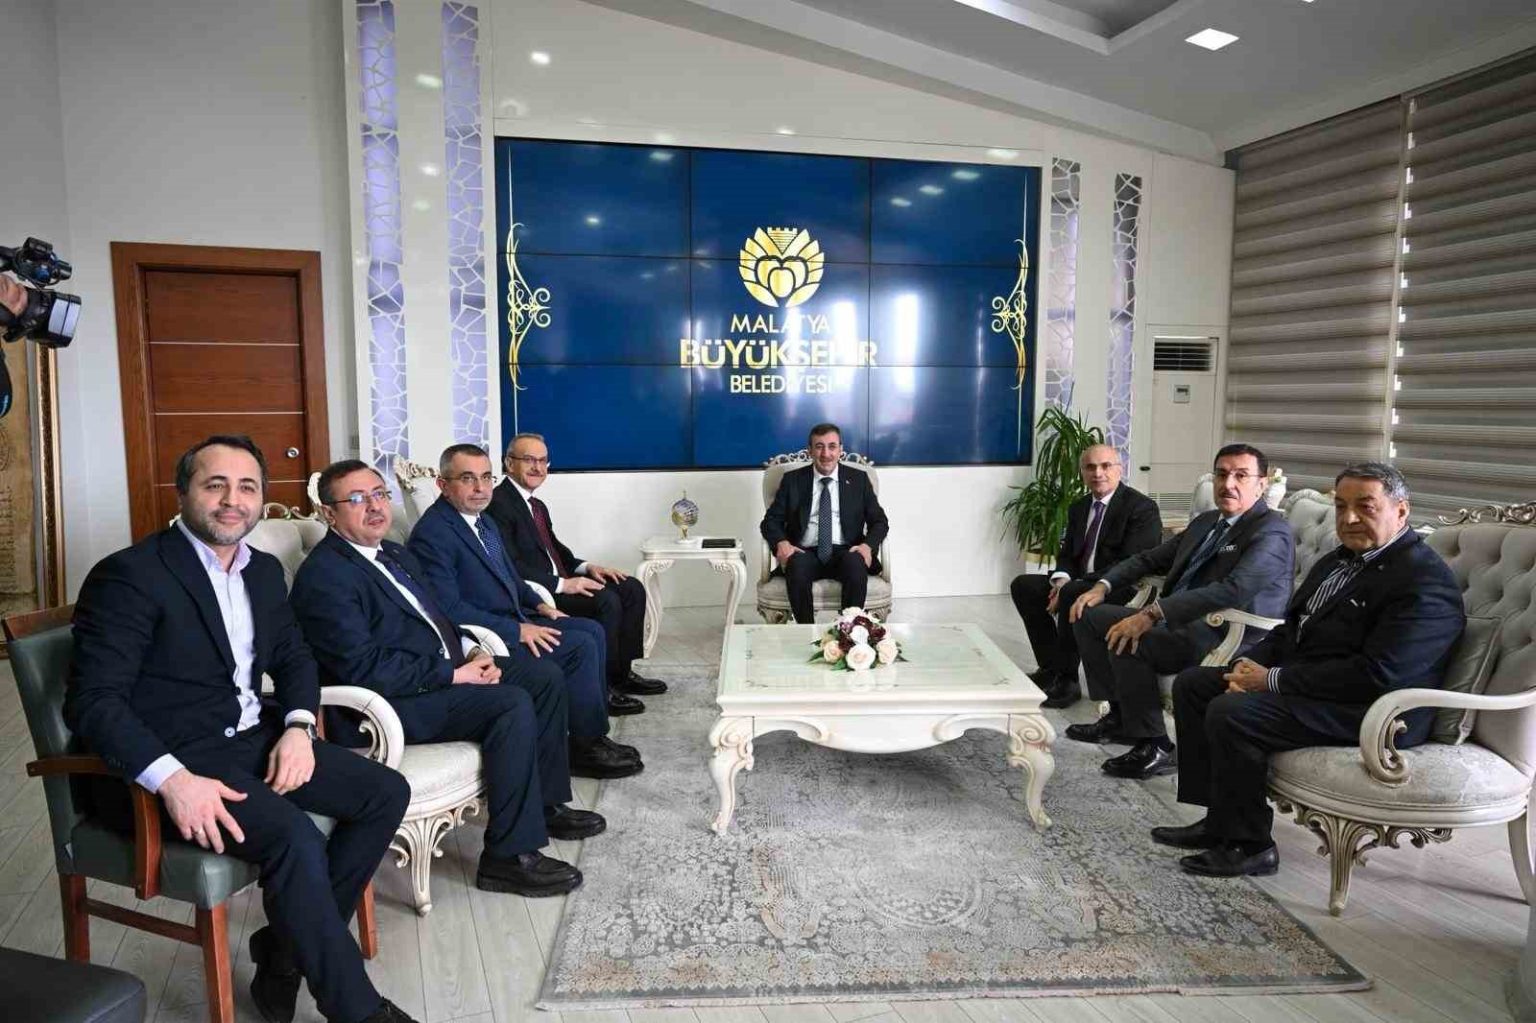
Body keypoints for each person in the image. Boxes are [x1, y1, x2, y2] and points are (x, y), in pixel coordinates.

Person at [65, 436, 415, 1023]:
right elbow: (93, 702)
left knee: (384, 791)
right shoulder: (129, 575)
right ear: (183, 493)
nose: (233, 500)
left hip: (253, 741)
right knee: (293, 836)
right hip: (172, 762)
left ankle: (281, 953)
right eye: (215, 485)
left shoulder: (264, 572)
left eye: (247, 487)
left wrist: (299, 727)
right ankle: (358, 1011)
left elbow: (295, 658)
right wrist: (173, 781)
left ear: (261, 498)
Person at [291, 459, 597, 898]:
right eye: (357, 499)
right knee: (509, 703)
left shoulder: (394, 554)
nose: (375, 507)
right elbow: (362, 667)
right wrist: (453, 674)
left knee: (542, 677)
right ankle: (508, 857)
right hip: (384, 704)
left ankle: (545, 806)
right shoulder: (325, 576)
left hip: (441, 670)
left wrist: (471, 651)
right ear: (329, 513)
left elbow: (440, 617)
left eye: (379, 494)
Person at [1156, 462, 1465, 877]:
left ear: (1401, 511)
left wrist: (1270, 680)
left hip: (1376, 711)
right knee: (1195, 684)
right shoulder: (1338, 561)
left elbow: (1379, 674)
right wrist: (1249, 665)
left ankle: (1250, 846)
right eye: (1341, 506)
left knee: (1233, 713)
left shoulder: (1423, 581)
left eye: (1365, 506)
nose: (1349, 518)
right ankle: (1219, 821)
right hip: (1315, 686)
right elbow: (1290, 630)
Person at [406, 443, 641, 779]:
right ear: (443, 485)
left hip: (516, 616)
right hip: (489, 635)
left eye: (486, 477)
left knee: (590, 629)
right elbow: (447, 609)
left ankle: (591, 735)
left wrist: (541, 605)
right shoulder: (434, 534)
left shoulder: (482, 521)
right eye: (468, 479)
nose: (480, 488)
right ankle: (584, 748)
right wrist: (518, 630)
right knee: (578, 645)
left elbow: (512, 578)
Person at [1066, 443, 1293, 780]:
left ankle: (1155, 744)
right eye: (1221, 474)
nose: (1228, 484)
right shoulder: (1207, 522)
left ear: (1261, 485)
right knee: (1088, 615)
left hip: (1225, 631)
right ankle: (1120, 718)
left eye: (1241, 476)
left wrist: (1152, 613)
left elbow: (1233, 590)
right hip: (1182, 619)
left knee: (1132, 641)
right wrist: (1102, 586)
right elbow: (1149, 559)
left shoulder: (1271, 531)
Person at [487, 432, 663, 714]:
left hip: (560, 579)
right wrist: (563, 584)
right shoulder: (498, 503)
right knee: (606, 600)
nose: (537, 467)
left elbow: (555, 550)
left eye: (543, 461)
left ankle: (621, 674)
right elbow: (510, 564)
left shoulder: (535, 504)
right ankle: (603, 688)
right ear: (509, 463)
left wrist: (588, 567)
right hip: (539, 592)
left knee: (630, 587)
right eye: (529, 460)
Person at [1010, 443, 1162, 708]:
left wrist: (1078, 585)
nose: (1098, 473)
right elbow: (1068, 554)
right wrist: (1061, 580)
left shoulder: (1141, 508)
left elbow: (1132, 562)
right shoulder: (1079, 507)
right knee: (1025, 585)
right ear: (1082, 472)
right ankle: (1050, 668)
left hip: (1120, 585)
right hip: (1079, 582)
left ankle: (1067, 680)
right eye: (1090, 467)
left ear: (1119, 469)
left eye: (1105, 466)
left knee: (1072, 592)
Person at [760, 422, 890, 625]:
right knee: (796, 564)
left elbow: (880, 521)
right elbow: (770, 521)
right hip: (805, 551)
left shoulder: (859, 479)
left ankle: (849, 631)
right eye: (819, 446)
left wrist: (867, 546)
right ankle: (806, 632)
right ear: (810, 450)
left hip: (846, 550)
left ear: (840, 449)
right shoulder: (792, 480)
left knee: (855, 564)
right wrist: (781, 542)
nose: (826, 454)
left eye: (832, 446)